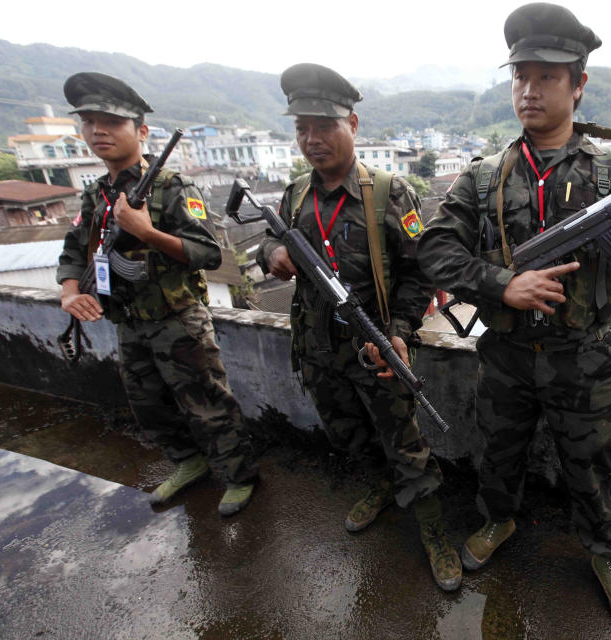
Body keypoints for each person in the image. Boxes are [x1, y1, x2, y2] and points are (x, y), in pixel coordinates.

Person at [418, 3, 611, 633]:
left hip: (583, 357)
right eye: (520, 76)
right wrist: (503, 284)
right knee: (497, 450)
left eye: (548, 76)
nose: (529, 89)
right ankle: (498, 518)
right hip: (504, 356)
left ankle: (607, 553)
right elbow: (434, 249)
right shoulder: (482, 179)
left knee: (591, 463)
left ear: (579, 84)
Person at [256, 63, 461, 591]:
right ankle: (378, 488)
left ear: (352, 124)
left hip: (375, 348)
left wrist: (400, 330)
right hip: (318, 350)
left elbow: (419, 272)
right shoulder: (295, 193)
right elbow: (263, 243)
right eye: (301, 128)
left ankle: (434, 530)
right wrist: (273, 253)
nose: (311, 139)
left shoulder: (389, 193)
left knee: (406, 447)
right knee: (346, 432)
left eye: (323, 127)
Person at [56, 72, 258, 516]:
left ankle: (240, 475)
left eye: (111, 122)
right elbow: (74, 250)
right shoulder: (97, 194)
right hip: (129, 320)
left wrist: (147, 233)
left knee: (207, 402)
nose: (98, 131)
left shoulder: (172, 188)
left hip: (178, 319)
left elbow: (208, 252)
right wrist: (71, 292)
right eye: (89, 122)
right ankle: (189, 463)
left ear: (141, 132)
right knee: (148, 404)